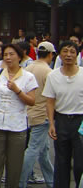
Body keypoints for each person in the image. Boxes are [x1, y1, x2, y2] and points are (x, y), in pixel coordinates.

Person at [0, 43, 38, 188]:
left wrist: (18, 90)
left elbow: (32, 101)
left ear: (19, 57)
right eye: (5, 55)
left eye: (11, 54)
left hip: (17, 126)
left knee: (14, 165)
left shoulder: (28, 77)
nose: (8, 57)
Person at [43, 40, 83, 187]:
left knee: (80, 163)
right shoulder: (53, 76)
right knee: (61, 162)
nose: (68, 55)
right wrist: (51, 124)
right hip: (61, 121)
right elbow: (50, 102)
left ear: (77, 55)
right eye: (65, 51)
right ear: (59, 55)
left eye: (72, 52)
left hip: (80, 122)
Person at [19, 41, 55, 188]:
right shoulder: (48, 72)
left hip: (28, 112)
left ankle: (51, 181)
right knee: (33, 149)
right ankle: (20, 182)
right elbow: (52, 96)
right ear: (51, 54)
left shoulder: (28, 68)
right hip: (42, 114)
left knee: (43, 151)